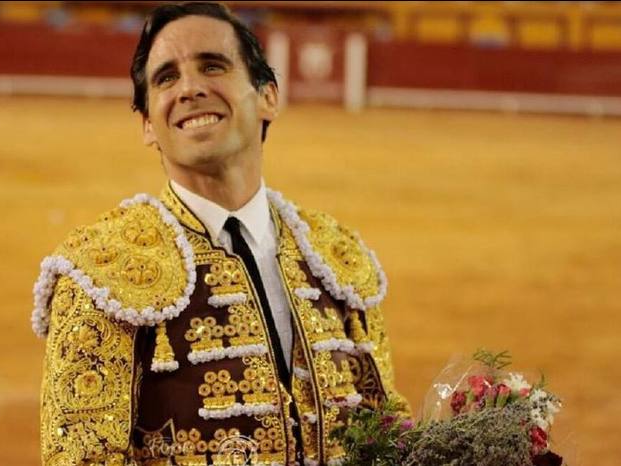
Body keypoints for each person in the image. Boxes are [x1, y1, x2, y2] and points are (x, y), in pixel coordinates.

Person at [31, 3, 408, 465]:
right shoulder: (99, 273)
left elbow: (387, 433)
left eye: (212, 65)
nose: (189, 88)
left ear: (268, 95)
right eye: (166, 78)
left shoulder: (336, 259)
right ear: (148, 125)